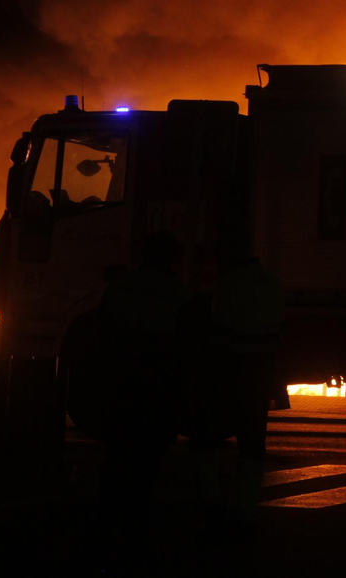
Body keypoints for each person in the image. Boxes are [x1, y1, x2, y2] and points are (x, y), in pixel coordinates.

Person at [96, 230, 192, 567]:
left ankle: (105, 533)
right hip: (157, 389)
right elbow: (186, 346)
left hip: (121, 386)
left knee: (116, 458)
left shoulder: (119, 289)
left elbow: (101, 336)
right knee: (148, 465)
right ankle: (138, 535)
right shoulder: (178, 294)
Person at [184, 229, 283, 533]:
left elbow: (219, 336)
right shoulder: (270, 280)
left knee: (203, 440)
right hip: (260, 372)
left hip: (230, 372)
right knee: (253, 446)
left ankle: (213, 504)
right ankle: (243, 511)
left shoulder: (228, 284)